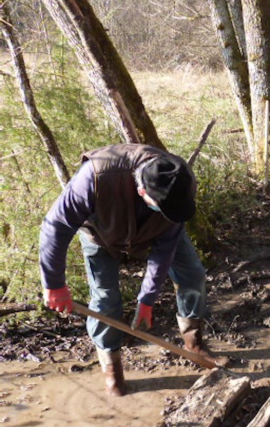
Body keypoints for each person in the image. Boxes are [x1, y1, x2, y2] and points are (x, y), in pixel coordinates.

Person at [39, 143, 227, 397]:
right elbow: (55, 227)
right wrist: (54, 284)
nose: (166, 211)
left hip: (156, 230)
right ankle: (112, 372)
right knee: (106, 299)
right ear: (141, 191)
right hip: (101, 234)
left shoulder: (180, 184)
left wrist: (146, 300)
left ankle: (195, 344)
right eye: (160, 206)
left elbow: (164, 251)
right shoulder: (94, 177)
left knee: (192, 275)